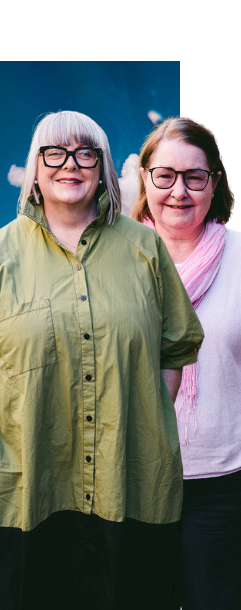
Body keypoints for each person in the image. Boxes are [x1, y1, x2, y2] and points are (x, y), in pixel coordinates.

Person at [0, 110, 204, 610]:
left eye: (85, 152)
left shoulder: (145, 249)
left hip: (129, 482)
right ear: (36, 167)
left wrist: (141, 422)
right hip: (21, 487)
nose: (69, 163)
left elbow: (175, 349)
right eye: (54, 152)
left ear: (102, 167)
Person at [130, 117, 239, 610]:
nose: (179, 191)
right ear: (146, 179)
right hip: (131, 479)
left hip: (223, 485)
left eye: (195, 177)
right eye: (165, 175)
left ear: (213, 183)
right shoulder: (115, 261)